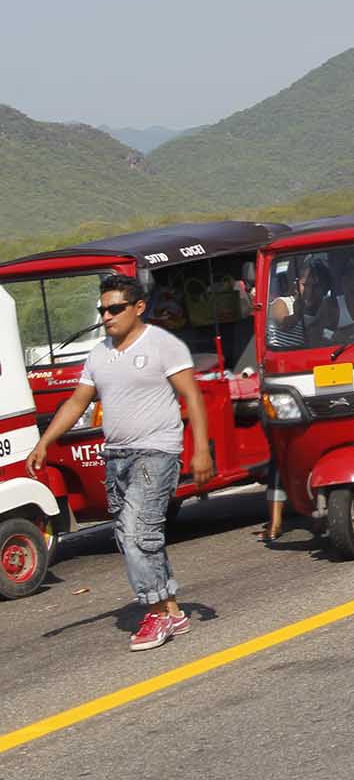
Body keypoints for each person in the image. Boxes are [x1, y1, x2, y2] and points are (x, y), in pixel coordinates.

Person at [27, 274, 213, 652]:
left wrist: (201, 450)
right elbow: (78, 402)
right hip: (117, 456)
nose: (107, 316)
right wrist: (45, 442)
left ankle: (156, 614)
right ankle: (173, 609)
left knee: (135, 533)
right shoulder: (99, 354)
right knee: (139, 536)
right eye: (102, 310)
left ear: (138, 307)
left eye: (115, 308)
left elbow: (192, 396)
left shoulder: (163, 345)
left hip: (156, 452)